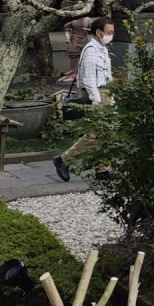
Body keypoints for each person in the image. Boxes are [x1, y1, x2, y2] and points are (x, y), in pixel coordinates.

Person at [53, 16, 115, 182]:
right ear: (99, 32)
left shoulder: (102, 48)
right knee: (95, 134)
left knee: (106, 133)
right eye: (109, 32)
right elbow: (88, 80)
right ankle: (64, 160)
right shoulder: (90, 50)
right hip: (95, 94)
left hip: (105, 92)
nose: (111, 35)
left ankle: (101, 169)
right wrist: (97, 100)